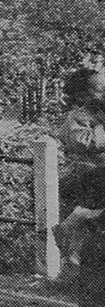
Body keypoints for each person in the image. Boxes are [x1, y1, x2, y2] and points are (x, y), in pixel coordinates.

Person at [54, 63, 105, 265]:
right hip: (87, 172)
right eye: (100, 90)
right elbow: (85, 142)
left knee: (90, 214)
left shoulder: (100, 114)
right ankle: (66, 229)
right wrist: (100, 127)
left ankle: (74, 253)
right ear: (82, 96)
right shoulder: (77, 117)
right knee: (90, 208)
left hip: (98, 173)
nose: (104, 94)